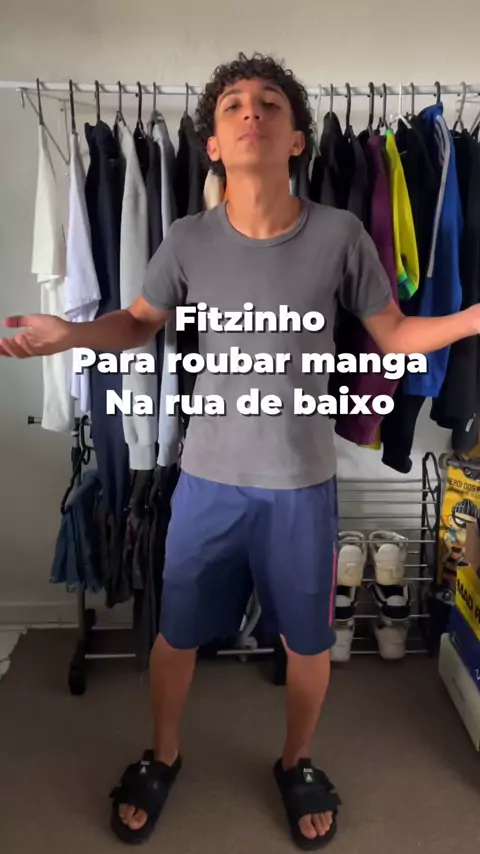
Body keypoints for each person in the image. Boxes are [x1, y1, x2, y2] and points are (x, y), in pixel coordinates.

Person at [2, 53, 480, 850]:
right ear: (215, 145)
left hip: (301, 486)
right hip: (207, 482)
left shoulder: (341, 234)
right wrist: (71, 334)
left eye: (269, 103)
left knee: (307, 640)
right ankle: (163, 753)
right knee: (177, 634)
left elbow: (394, 333)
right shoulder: (187, 239)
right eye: (232, 105)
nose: (250, 110)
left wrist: (472, 318)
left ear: (296, 140)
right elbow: (138, 322)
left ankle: (296, 761)